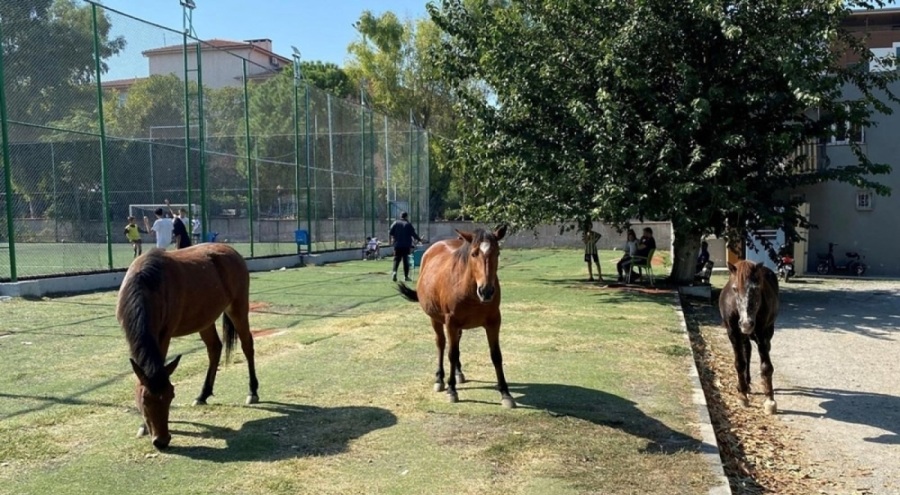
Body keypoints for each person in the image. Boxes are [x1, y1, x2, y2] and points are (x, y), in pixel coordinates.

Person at [389, 211, 422, 282]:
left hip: (397, 245)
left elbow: (390, 232)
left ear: (400, 216)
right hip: (406, 245)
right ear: (406, 216)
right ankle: (406, 277)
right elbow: (413, 234)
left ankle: (394, 272)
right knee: (405, 260)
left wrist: (394, 237)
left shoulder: (395, 223)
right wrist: (419, 239)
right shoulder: (408, 224)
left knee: (396, 259)